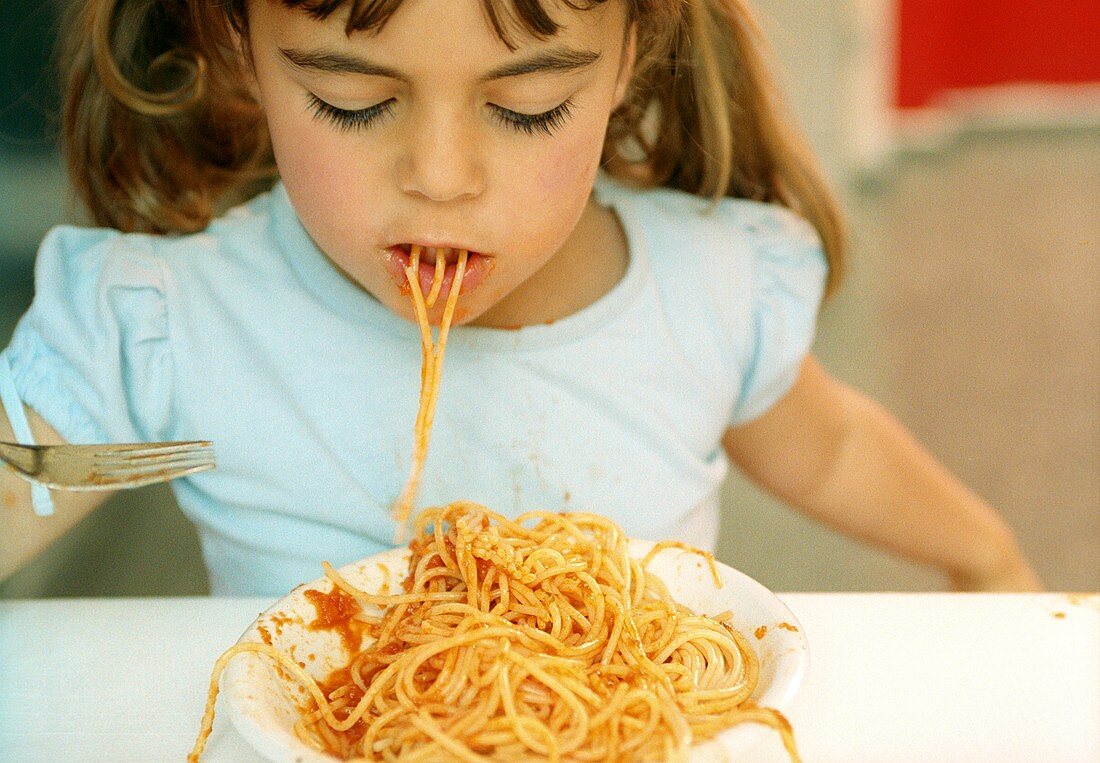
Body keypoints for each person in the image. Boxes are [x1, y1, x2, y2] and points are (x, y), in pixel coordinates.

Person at [0, 0, 1040, 595]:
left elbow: (835, 448)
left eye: (529, 107)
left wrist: (984, 556)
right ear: (237, 51)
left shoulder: (707, 290)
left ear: (631, 55)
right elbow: (20, 481)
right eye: (350, 102)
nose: (441, 176)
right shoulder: (167, 321)